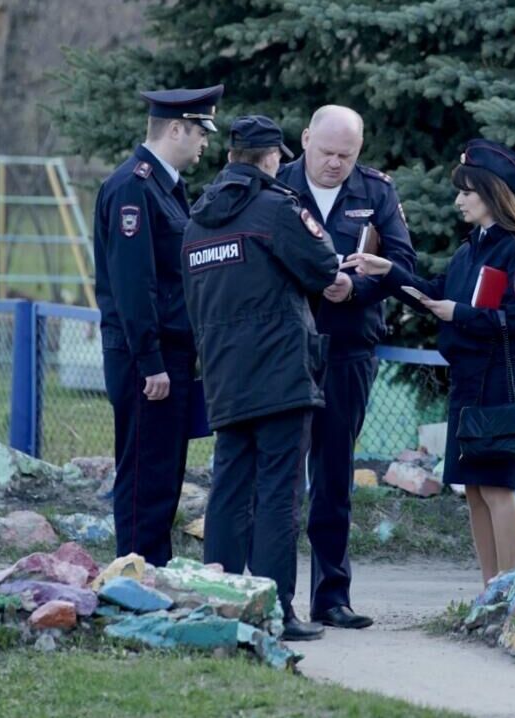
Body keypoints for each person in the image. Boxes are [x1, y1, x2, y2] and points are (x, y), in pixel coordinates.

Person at [343, 139, 515, 586]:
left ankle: (509, 591)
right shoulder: (468, 250)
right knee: (473, 490)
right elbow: (436, 293)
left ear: (493, 194)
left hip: (501, 381)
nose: (458, 201)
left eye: (467, 193)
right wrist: (388, 272)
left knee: (496, 486)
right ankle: (488, 588)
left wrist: (458, 313)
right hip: (468, 380)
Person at [181, 115, 343, 641]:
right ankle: (275, 609)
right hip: (280, 377)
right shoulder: (277, 209)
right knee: (278, 493)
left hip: (224, 376)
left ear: (230, 158)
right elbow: (322, 267)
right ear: (274, 158)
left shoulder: (197, 221)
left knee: (228, 489)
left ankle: (217, 600)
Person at [277, 105, 417, 630]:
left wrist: (355, 287)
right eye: (326, 152)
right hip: (288, 345)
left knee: (334, 475)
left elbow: (403, 266)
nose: (335, 164)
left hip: (348, 345)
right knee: (282, 474)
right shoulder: (279, 185)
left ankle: (332, 596)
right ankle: (275, 593)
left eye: (346, 155)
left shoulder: (376, 192)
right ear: (306, 139)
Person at [93, 84, 223, 567]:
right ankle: (135, 575)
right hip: (146, 359)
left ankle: (154, 570)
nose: (205, 142)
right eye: (199, 131)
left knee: (164, 472)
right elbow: (133, 285)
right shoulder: (133, 187)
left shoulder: (166, 187)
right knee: (146, 473)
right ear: (175, 129)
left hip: (169, 355)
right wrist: (150, 361)